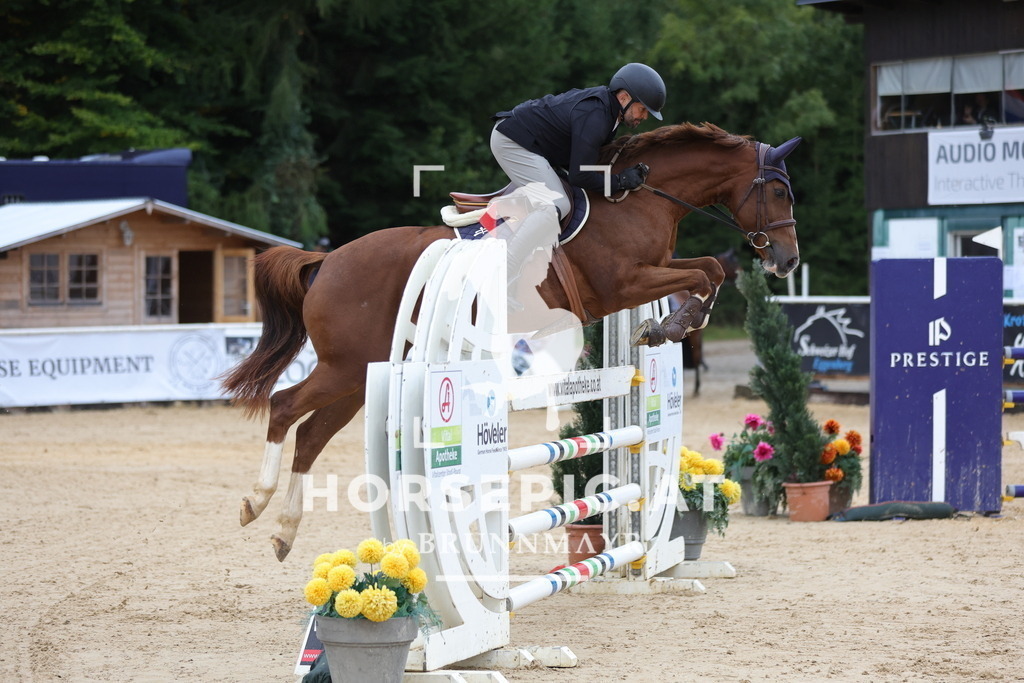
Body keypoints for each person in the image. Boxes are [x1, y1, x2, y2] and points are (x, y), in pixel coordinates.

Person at [489, 63, 666, 303]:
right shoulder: (596, 116)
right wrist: (621, 181)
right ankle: (501, 278)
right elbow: (581, 175)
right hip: (512, 142)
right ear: (624, 97)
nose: (643, 117)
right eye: (642, 109)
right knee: (556, 205)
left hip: (537, 147)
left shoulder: (608, 114)